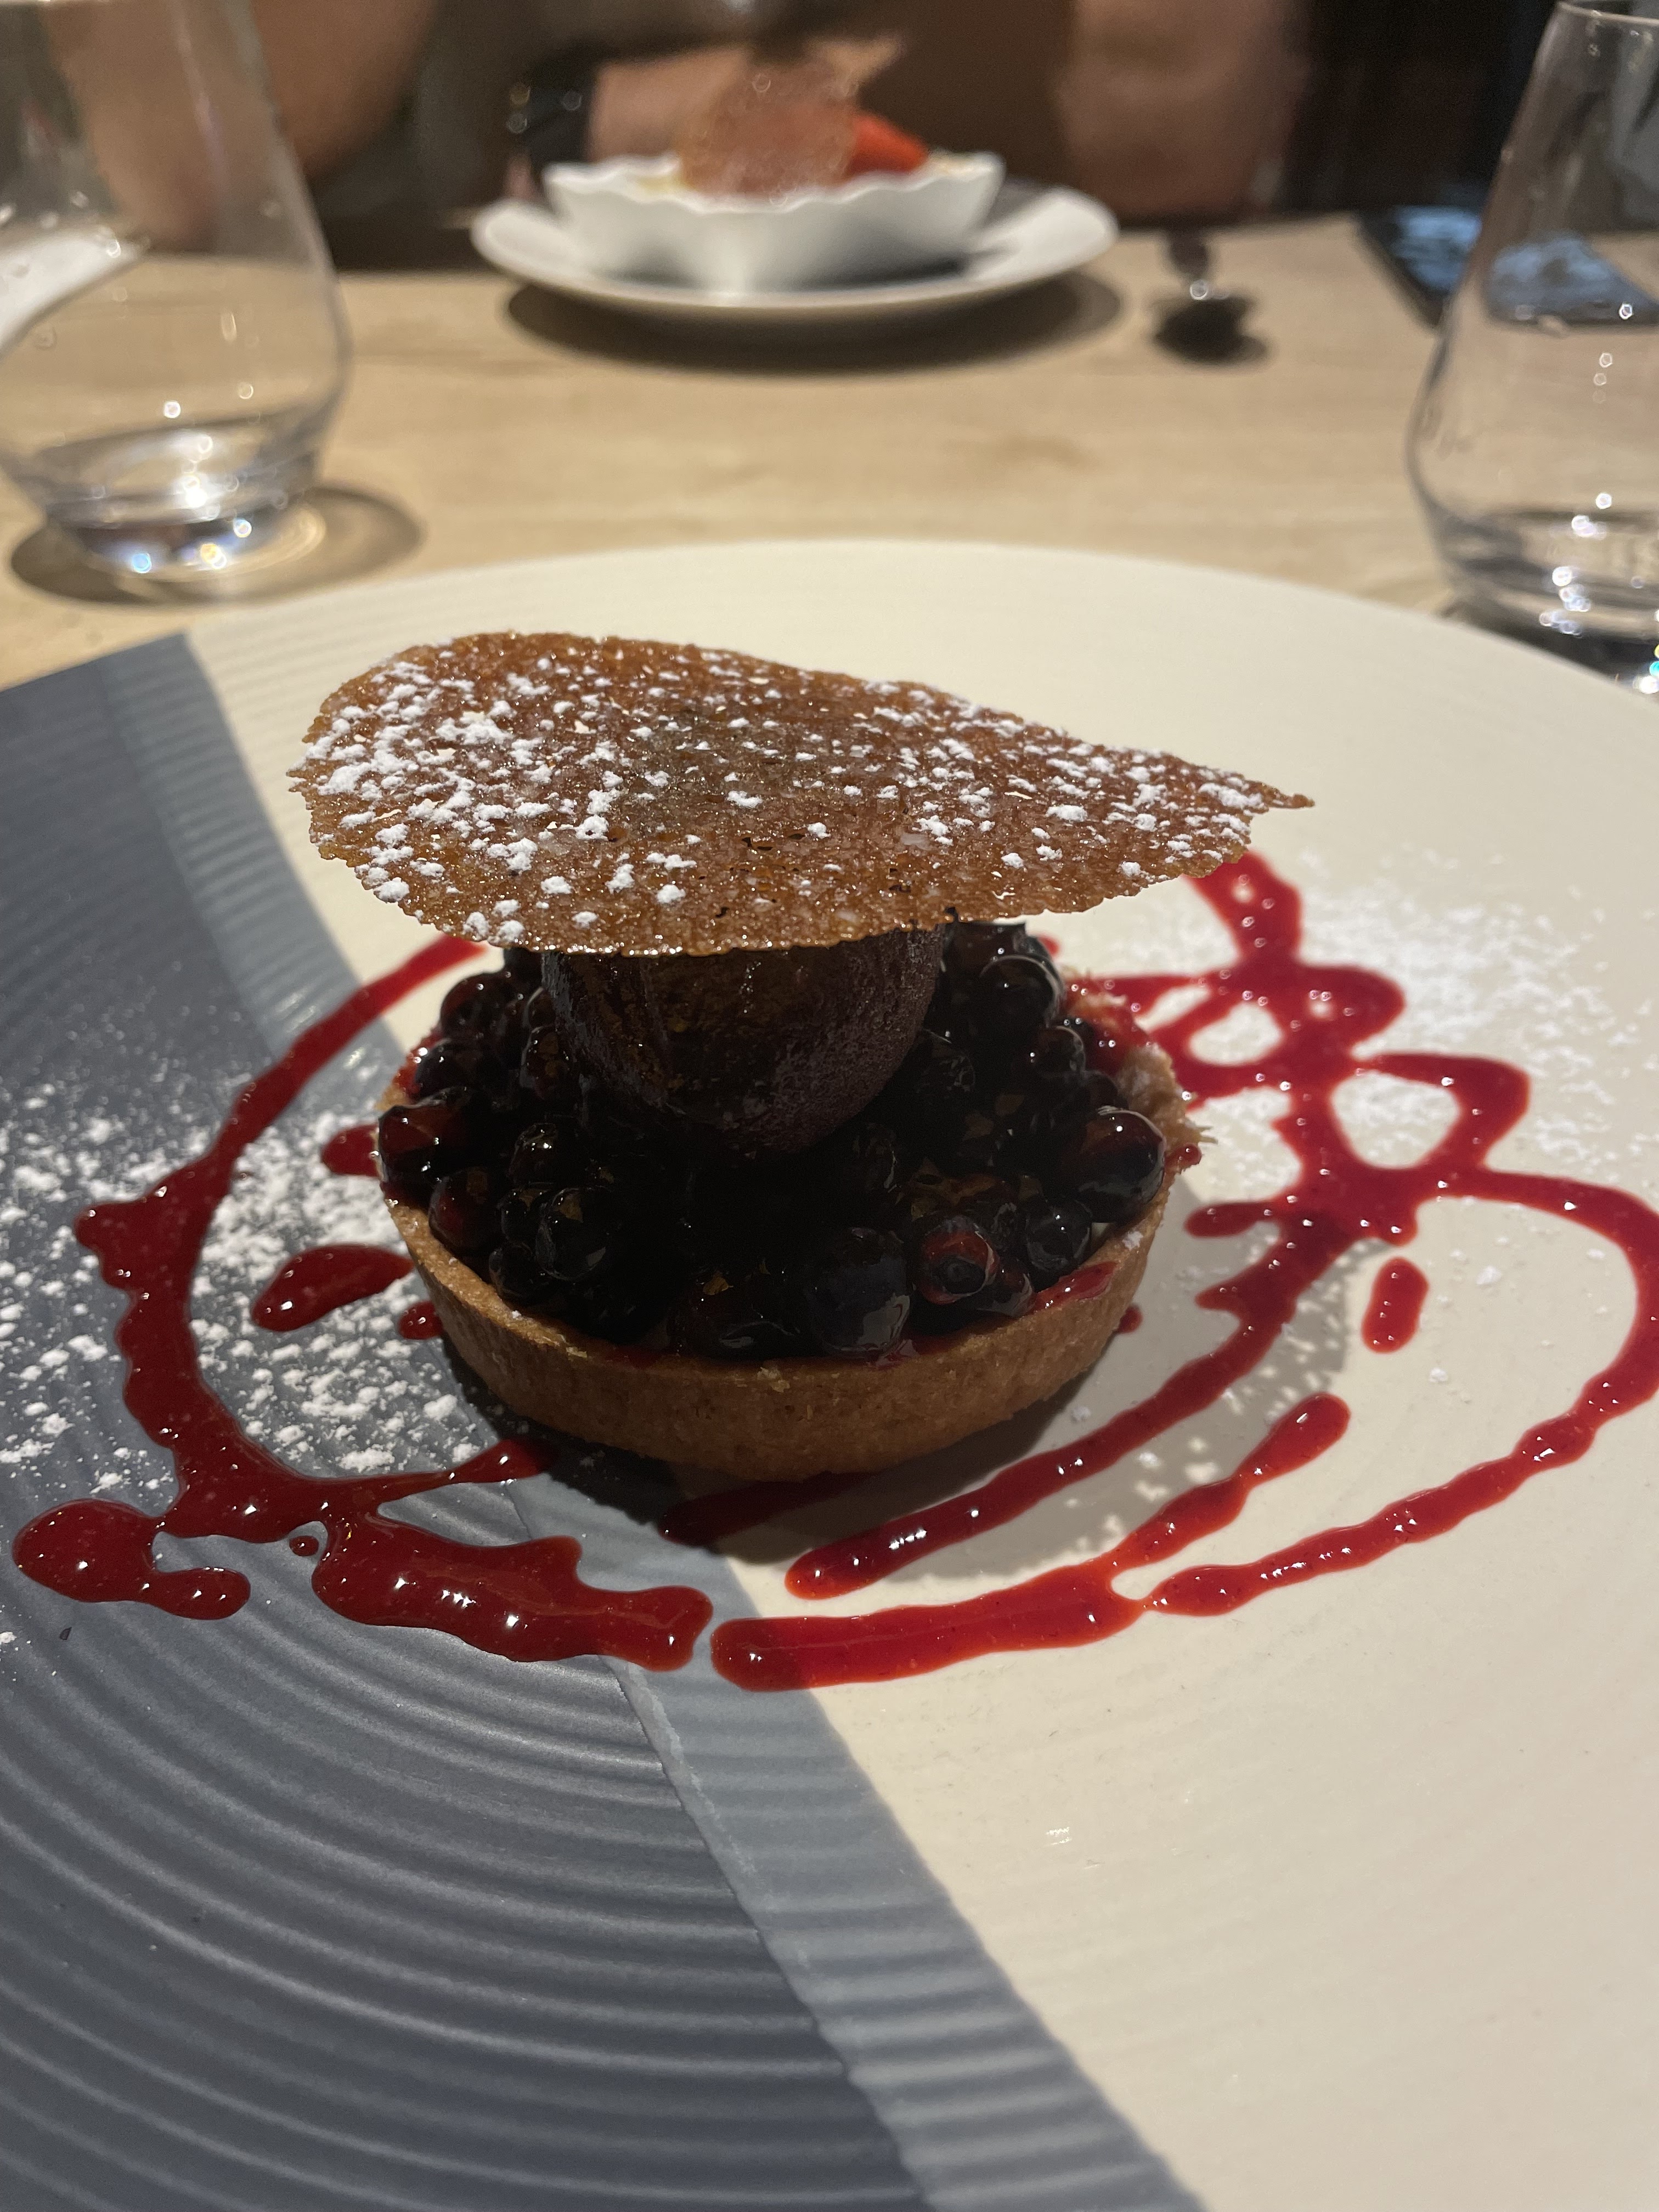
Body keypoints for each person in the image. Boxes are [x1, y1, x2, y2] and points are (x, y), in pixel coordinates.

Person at [251, 0, 1306, 230]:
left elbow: (1180, 99)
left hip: (994, 321)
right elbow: (222, 152)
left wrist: (595, 116)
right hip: (430, 321)